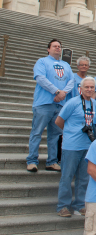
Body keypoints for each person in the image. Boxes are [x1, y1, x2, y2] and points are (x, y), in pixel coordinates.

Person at [28, 38, 74, 172]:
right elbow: (40, 78)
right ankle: (32, 160)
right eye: (55, 46)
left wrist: (64, 92)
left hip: (60, 105)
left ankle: (52, 161)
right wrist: (57, 91)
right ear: (48, 49)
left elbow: (71, 80)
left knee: (55, 135)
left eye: (59, 46)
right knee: (37, 132)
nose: (58, 48)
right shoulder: (42, 61)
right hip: (44, 103)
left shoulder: (66, 65)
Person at [55, 77, 96, 217]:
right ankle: (63, 206)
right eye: (87, 87)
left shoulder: (94, 104)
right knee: (67, 177)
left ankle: (79, 204)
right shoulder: (72, 102)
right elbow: (59, 121)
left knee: (84, 177)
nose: (89, 89)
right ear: (81, 88)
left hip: (87, 146)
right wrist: (69, 134)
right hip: (71, 146)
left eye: (92, 87)